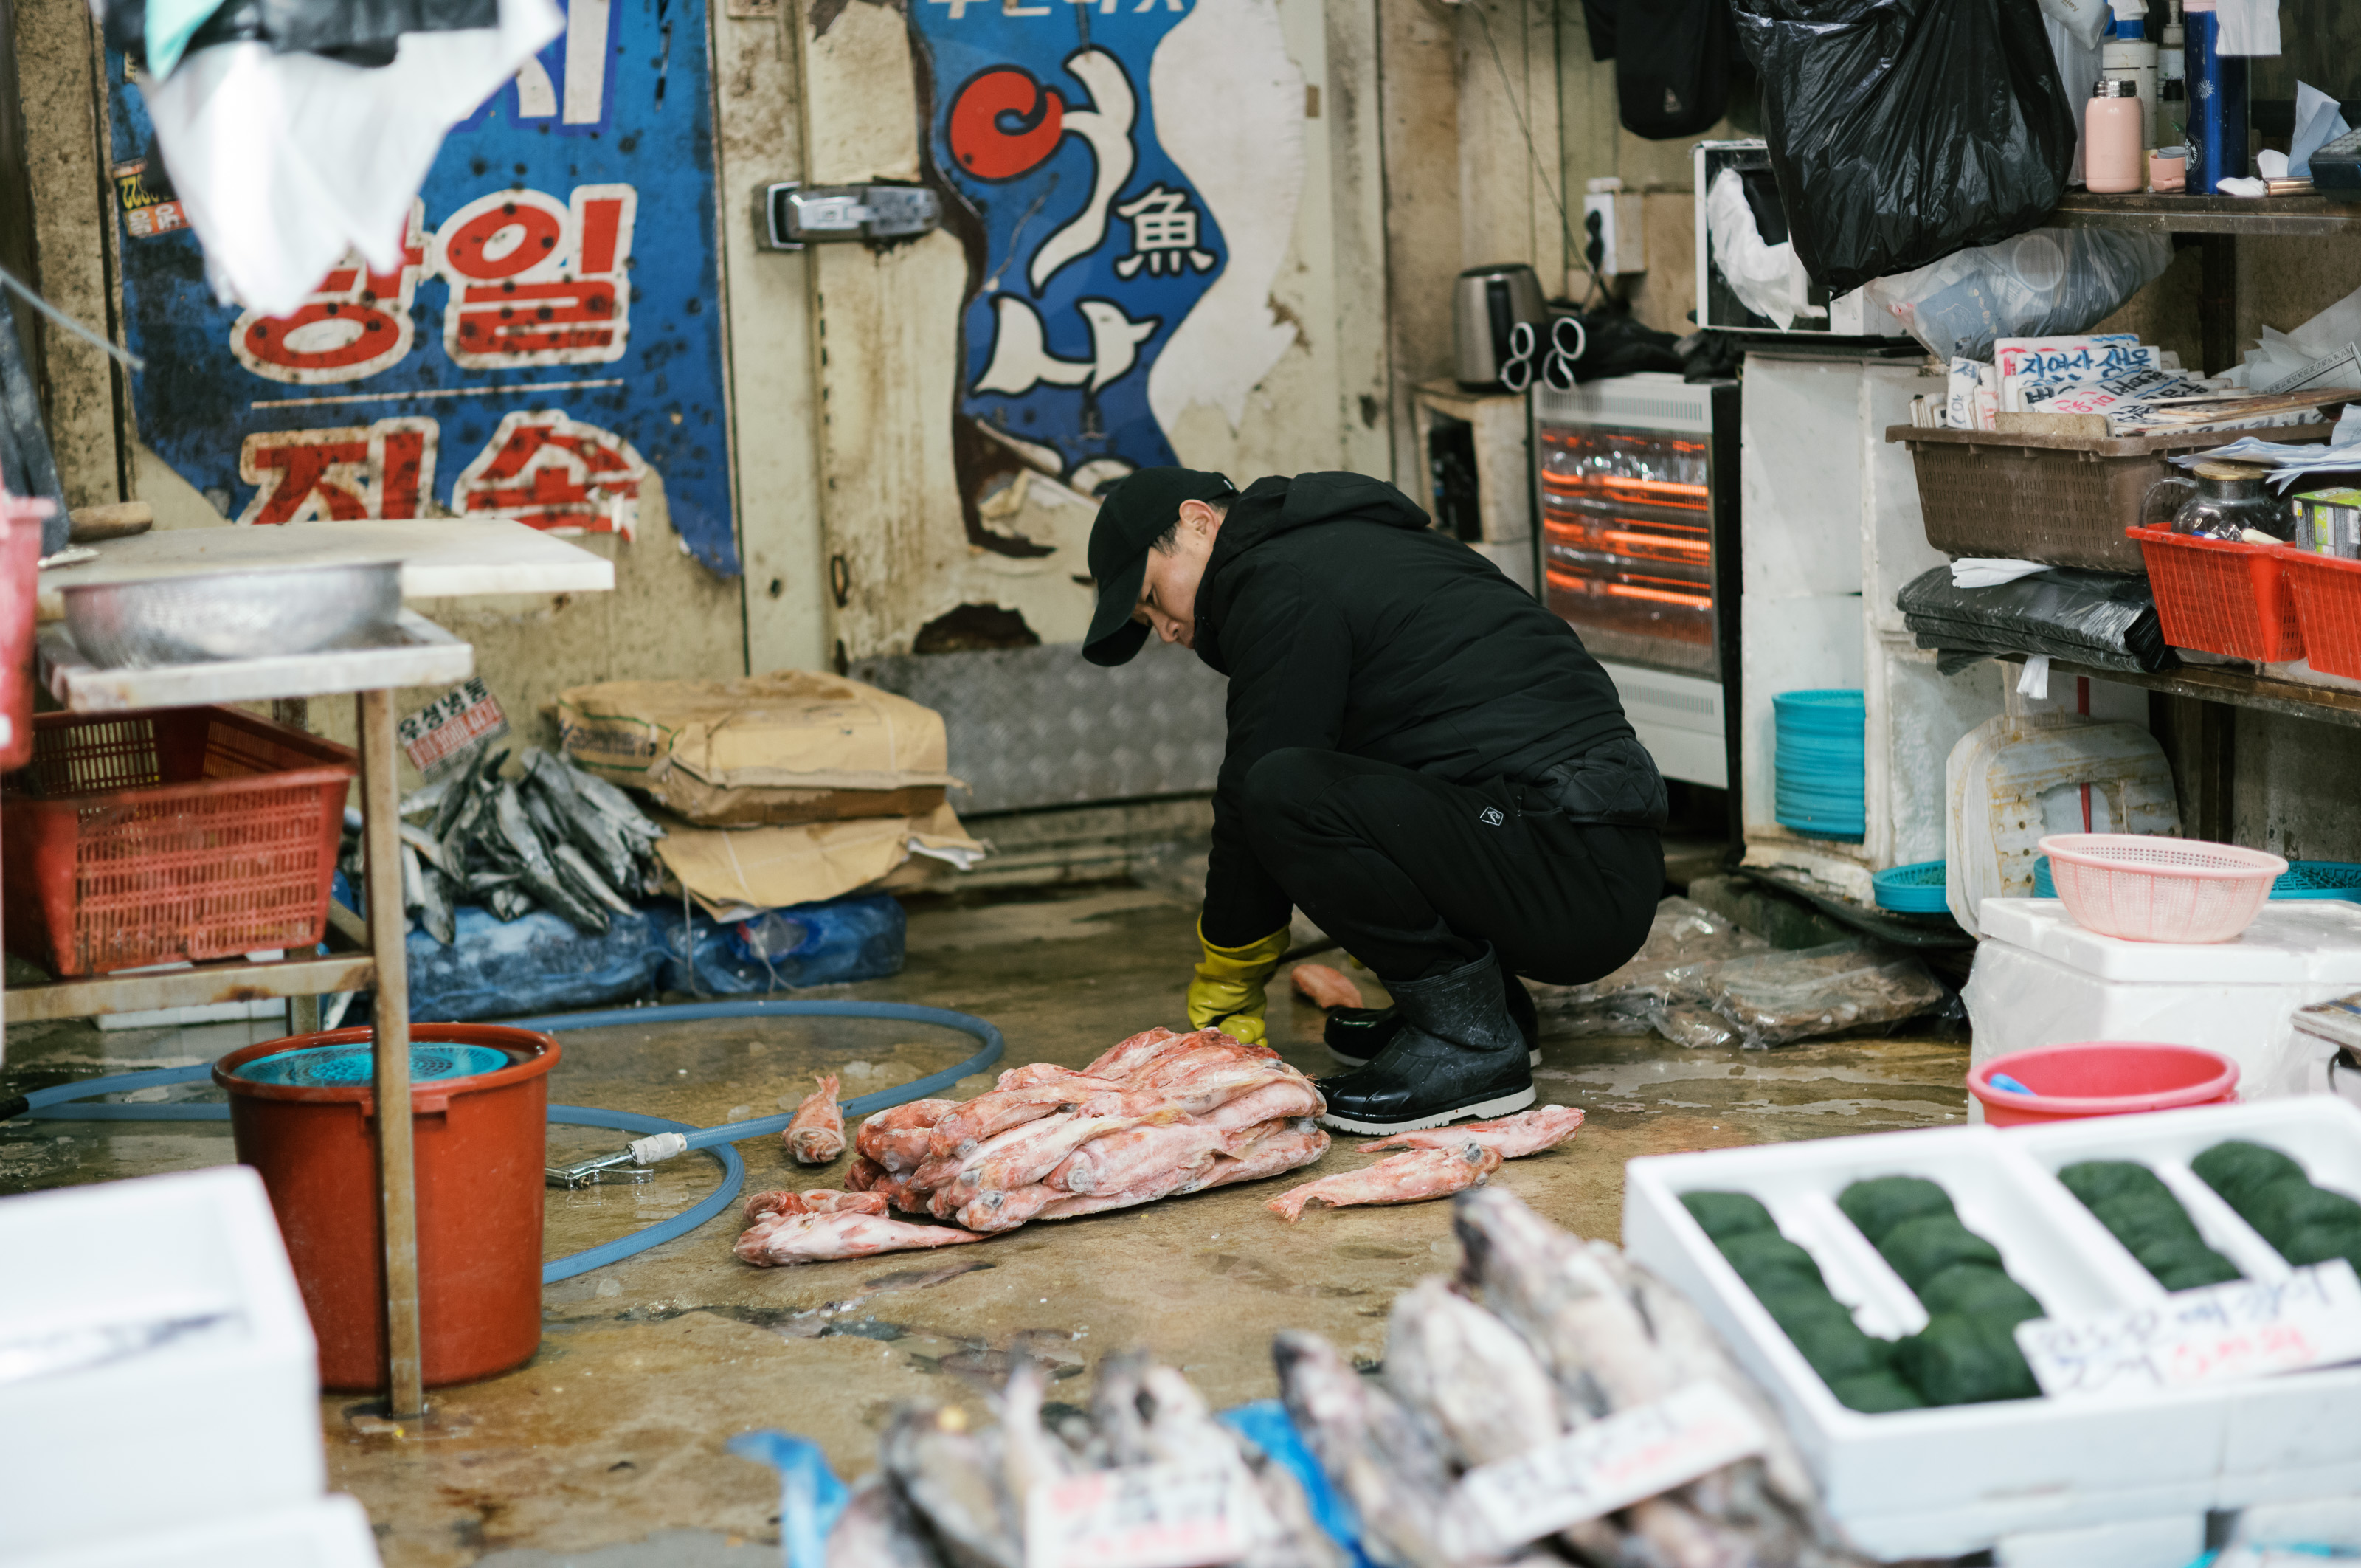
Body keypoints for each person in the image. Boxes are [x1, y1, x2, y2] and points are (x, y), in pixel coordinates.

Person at [1080, 466, 1665, 1134]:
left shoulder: (1279, 579)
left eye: (1155, 597)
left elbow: (1254, 788)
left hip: (1568, 857)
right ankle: (1486, 1011)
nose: (1166, 631)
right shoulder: (1331, 547)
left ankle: (1469, 1046)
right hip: (1583, 843)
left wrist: (1232, 962)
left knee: (1284, 792)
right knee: (1337, 771)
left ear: (1199, 521)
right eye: (1147, 620)